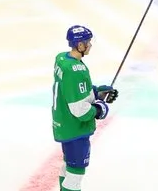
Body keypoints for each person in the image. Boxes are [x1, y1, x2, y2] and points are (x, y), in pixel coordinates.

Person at [52, 25, 118, 191]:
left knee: (68, 166)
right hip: (75, 129)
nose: (90, 45)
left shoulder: (62, 59)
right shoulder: (76, 70)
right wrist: (99, 109)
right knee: (75, 175)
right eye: (87, 42)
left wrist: (96, 92)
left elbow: (72, 90)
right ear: (80, 45)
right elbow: (80, 110)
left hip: (64, 124)